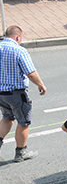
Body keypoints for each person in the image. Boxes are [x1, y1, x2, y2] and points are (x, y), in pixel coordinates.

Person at [0, 25, 46, 162]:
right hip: (16, 94)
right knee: (23, 122)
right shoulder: (19, 51)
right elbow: (30, 73)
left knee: (7, 118)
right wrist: (41, 85)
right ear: (17, 37)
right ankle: (21, 152)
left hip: (1, 94)